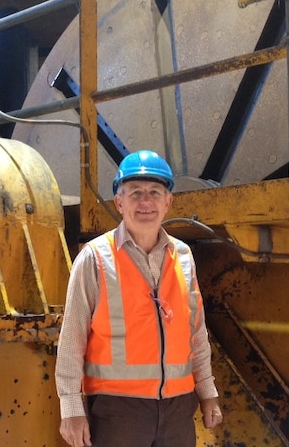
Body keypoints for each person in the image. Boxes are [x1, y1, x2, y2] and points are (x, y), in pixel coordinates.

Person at [55, 149, 223, 447]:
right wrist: (70, 408)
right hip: (118, 411)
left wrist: (207, 393)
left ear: (168, 202)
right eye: (135, 193)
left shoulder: (183, 256)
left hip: (177, 409)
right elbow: (71, 339)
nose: (145, 201)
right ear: (119, 202)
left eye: (154, 192)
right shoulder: (95, 258)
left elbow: (195, 332)